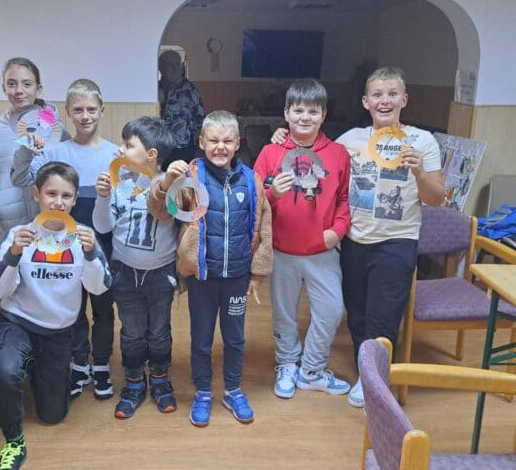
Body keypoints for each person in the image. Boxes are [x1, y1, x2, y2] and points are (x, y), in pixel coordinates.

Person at [270, 67, 444, 408]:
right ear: (366, 101)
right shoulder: (349, 140)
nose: (385, 101)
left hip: (397, 240)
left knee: (384, 316)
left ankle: (374, 381)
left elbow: (436, 198)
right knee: (358, 315)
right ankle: (365, 369)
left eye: (392, 94)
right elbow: (313, 154)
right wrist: (283, 137)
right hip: (353, 241)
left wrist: (419, 172)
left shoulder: (422, 141)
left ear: (404, 99)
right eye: (377, 95)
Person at [148, 110, 272, 427]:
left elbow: (264, 227)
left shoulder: (251, 181)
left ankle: (232, 390)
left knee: (235, 338)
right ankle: (203, 392)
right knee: (201, 339)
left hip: (237, 278)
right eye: (213, 140)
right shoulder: (191, 179)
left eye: (227, 141)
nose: (220, 147)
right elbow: (162, 212)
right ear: (201, 141)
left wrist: (257, 275)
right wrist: (168, 182)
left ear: (237, 143)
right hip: (202, 277)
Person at [0, 162, 111, 470]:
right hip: (18, 322)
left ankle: (33, 363)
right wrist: (13, 254)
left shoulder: (84, 237)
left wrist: (91, 255)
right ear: (36, 194)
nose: (58, 202)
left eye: (66, 196)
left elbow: (99, 287)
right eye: (51, 194)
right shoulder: (18, 235)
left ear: (75, 200)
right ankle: (14, 441)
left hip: (58, 331)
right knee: (4, 370)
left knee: (53, 415)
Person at [11, 79, 117, 400]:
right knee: (73, 308)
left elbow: (123, 204)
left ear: (102, 111)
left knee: (103, 309)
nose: (85, 116)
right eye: (78, 110)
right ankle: (79, 363)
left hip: (102, 246)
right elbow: (23, 181)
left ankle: (101, 364)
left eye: (91, 109)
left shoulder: (115, 154)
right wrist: (29, 143)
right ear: (68, 113)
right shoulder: (53, 152)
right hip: (62, 248)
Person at [253, 79, 351, 400]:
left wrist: (337, 230)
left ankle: (311, 370)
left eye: (313, 111)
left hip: (323, 249)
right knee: (284, 312)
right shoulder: (270, 152)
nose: (305, 117)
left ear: (323, 115)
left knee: (332, 310)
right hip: (282, 250)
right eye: (298, 110)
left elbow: (345, 199)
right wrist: (273, 194)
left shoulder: (338, 154)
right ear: (286, 113)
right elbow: (255, 201)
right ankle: (287, 363)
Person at [93, 116, 178, 418]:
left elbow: (185, 218)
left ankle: (160, 379)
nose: (121, 149)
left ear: (151, 155)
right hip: (125, 273)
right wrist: (103, 197)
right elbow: (103, 227)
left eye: (129, 145)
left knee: (159, 331)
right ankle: (133, 382)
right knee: (132, 332)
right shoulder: (119, 184)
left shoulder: (171, 184)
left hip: (160, 274)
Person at [0, 57, 70, 237]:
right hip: (11, 227)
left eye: (27, 84)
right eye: (12, 84)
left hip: (50, 225)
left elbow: (69, 170)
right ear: (4, 88)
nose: (19, 90)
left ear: (38, 88)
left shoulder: (55, 128)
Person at [158, 50, 205, 170]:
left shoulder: (190, 89)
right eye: (169, 65)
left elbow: (200, 118)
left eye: (177, 64)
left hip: (183, 146)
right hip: (159, 144)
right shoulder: (155, 88)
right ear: (161, 68)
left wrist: (188, 133)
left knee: (181, 176)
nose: (174, 68)